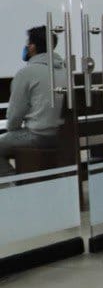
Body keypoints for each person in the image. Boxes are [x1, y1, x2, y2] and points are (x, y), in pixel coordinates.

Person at [0, 27, 66, 176]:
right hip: (63, 136)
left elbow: (14, 116)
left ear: (32, 47)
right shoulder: (65, 70)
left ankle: (15, 185)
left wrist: (12, 130)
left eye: (27, 43)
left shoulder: (26, 73)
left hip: (38, 136)